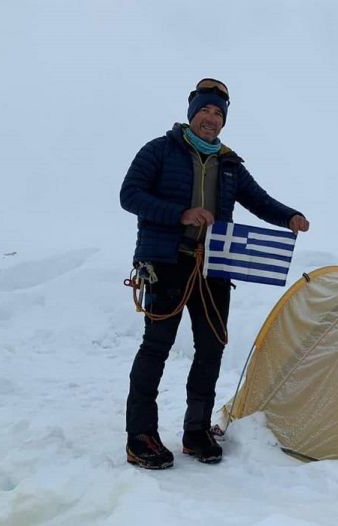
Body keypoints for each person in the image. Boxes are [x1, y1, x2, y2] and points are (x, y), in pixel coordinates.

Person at [120, 78, 309, 469]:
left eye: (218, 113)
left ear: (224, 122)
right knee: (156, 347)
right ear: (192, 115)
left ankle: (196, 430)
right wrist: (181, 214)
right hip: (166, 263)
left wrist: (289, 216)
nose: (211, 118)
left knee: (211, 348)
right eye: (205, 110)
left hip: (215, 267)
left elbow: (259, 200)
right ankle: (141, 436)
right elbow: (130, 195)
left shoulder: (229, 164)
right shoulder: (159, 150)